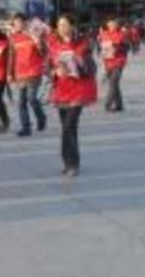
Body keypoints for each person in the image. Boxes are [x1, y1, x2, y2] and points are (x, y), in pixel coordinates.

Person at [47, 15, 97, 178]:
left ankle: (72, 163)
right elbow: (46, 66)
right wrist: (54, 71)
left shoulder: (82, 44)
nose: (61, 27)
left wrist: (78, 64)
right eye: (59, 24)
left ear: (72, 26)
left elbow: (91, 68)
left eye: (65, 24)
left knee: (69, 126)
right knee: (67, 128)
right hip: (61, 90)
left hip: (78, 89)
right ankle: (68, 161)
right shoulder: (53, 44)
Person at [8, 13, 48, 137]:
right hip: (20, 73)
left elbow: (44, 52)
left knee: (31, 98)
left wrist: (39, 43)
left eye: (20, 22)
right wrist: (9, 73)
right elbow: (11, 56)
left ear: (26, 23)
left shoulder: (34, 34)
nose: (18, 24)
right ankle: (26, 127)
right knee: (21, 101)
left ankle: (41, 117)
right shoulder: (13, 38)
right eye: (16, 22)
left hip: (34, 71)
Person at [98, 18, 129, 113]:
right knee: (115, 84)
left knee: (113, 82)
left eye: (114, 23)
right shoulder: (103, 34)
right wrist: (102, 51)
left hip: (119, 61)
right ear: (107, 24)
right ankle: (119, 104)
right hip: (108, 61)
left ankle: (108, 104)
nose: (112, 25)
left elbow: (126, 47)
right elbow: (100, 47)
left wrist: (117, 47)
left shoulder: (122, 34)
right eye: (110, 23)